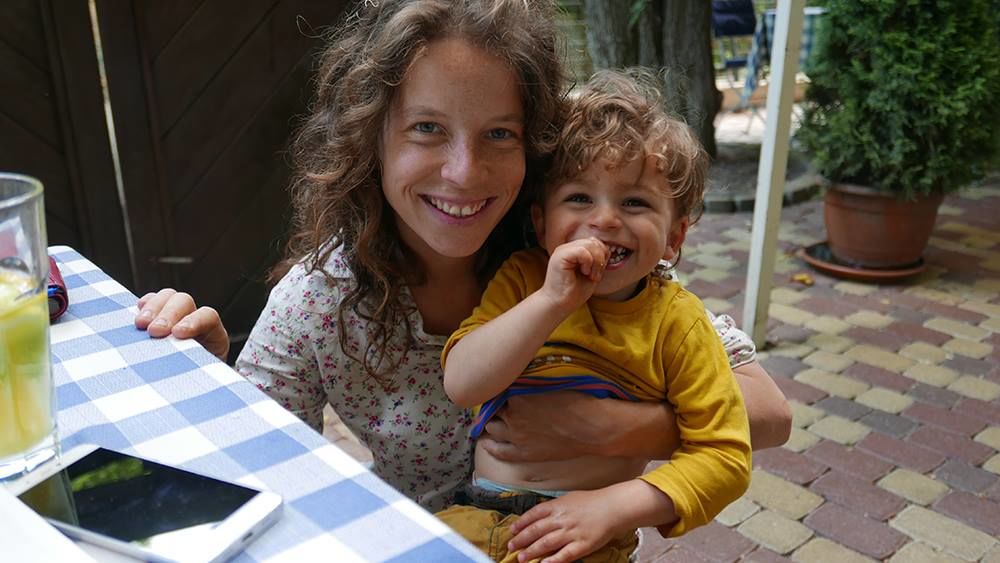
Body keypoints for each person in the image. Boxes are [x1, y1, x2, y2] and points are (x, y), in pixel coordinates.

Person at [134, 0, 789, 518]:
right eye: (427, 128)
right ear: (372, 135)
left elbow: (768, 411)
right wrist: (204, 373)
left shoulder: (563, 253)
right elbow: (244, 469)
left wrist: (618, 429)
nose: (464, 172)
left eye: (499, 133)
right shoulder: (321, 299)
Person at [436, 70, 751, 563]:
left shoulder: (677, 324)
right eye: (579, 198)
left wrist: (613, 508)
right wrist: (552, 301)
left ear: (674, 237)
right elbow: (462, 382)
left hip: (586, 541)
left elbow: (726, 456)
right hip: (475, 514)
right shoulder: (524, 279)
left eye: (635, 202)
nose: (604, 220)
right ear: (541, 221)